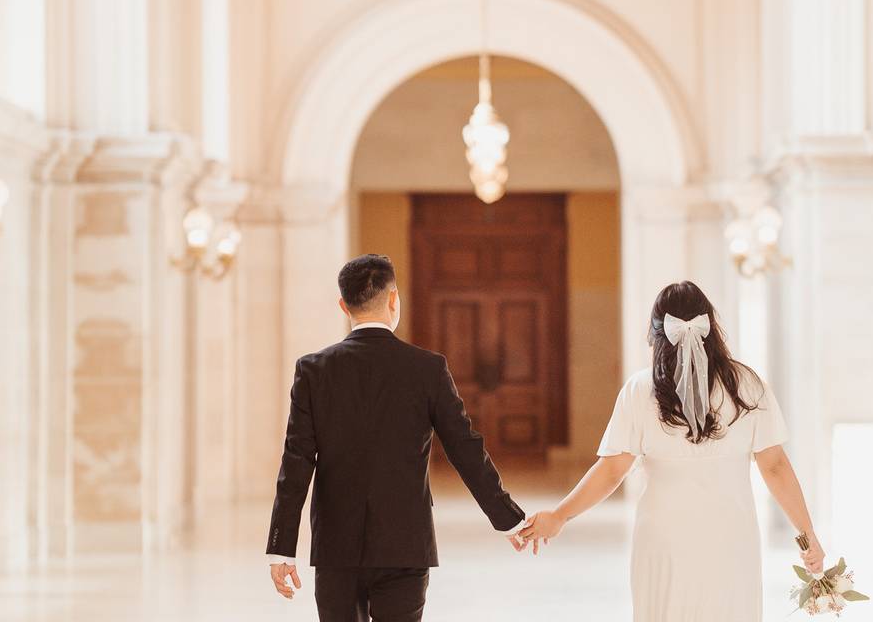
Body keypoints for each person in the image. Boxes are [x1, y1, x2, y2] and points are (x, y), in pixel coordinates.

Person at [519, 280, 825, 622]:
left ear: (657, 334)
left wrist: (559, 516)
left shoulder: (640, 389)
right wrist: (807, 536)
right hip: (731, 539)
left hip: (663, 541)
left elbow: (611, 471)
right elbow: (775, 468)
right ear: (711, 326)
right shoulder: (747, 386)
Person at [266, 254, 526, 621]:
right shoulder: (427, 368)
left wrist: (281, 548)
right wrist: (508, 518)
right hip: (405, 543)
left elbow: (296, 461)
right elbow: (464, 447)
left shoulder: (313, 370)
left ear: (344, 306)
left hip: (336, 546)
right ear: (393, 299)